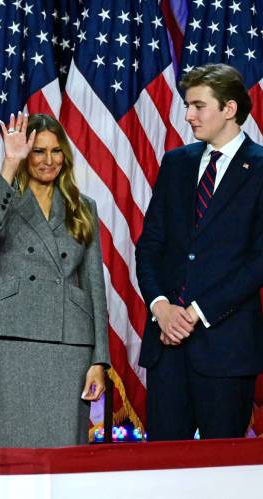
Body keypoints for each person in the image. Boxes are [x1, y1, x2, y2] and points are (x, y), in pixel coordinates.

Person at [136, 64, 263, 441]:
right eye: (187, 105)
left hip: (225, 348)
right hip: (166, 347)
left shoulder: (260, 168)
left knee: (220, 475)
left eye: (198, 105)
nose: (188, 115)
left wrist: (195, 313)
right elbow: (150, 245)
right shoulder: (177, 163)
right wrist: (160, 306)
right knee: (161, 469)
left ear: (229, 109)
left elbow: (258, 261)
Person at [0, 112, 110, 447]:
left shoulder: (83, 207)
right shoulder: (1, 198)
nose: (48, 160)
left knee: (65, 447)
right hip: (12, 337)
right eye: (39, 151)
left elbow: (94, 285)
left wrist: (99, 360)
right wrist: (10, 162)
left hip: (69, 341)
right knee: (9, 448)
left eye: (55, 151)